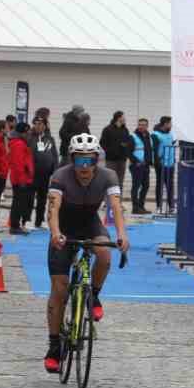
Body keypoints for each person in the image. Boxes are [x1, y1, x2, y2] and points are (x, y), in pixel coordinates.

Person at [44, 133, 130, 373]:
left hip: (90, 224)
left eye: (89, 160)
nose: (84, 167)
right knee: (59, 289)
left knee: (104, 253)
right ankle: (54, 346)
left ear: (96, 161)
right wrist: (55, 233)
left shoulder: (108, 176)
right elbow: (53, 209)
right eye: (79, 161)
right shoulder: (60, 176)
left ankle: (94, 295)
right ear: (72, 160)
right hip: (63, 227)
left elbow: (116, 207)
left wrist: (122, 234)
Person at [31, 110, 58, 228]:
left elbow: (54, 155)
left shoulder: (50, 139)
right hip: (33, 173)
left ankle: (39, 221)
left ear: (45, 126)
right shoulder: (30, 137)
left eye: (40, 124)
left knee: (42, 198)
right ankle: (26, 220)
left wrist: (55, 170)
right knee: (30, 198)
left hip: (45, 174)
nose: (38, 126)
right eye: (36, 124)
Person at [8, 121, 35, 234]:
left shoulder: (21, 143)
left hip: (22, 178)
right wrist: (22, 181)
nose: (29, 135)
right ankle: (14, 226)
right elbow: (18, 164)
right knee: (18, 203)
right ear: (22, 133)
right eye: (27, 133)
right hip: (20, 179)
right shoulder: (18, 144)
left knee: (19, 202)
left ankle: (16, 225)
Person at [130, 118, 153, 214]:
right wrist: (136, 161)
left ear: (147, 126)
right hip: (136, 165)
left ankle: (141, 206)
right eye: (140, 124)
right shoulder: (133, 136)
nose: (141, 126)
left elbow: (149, 150)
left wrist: (150, 162)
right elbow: (128, 152)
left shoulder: (148, 136)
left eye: (143, 125)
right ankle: (135, 208)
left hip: (146, 165)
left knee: (146, 186)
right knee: (136, 186)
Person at [155, 116, 177, 214]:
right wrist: (157, 162)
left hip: (170, 164)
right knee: (160, 185)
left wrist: (173, 160)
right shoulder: (156, 135)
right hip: (161, 164)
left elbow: (171, 147)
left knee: (170, 186)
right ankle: (159, 206)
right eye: (170, 123)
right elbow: (154, 150)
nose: (171, 125)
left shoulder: (170, 135)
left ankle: (171, 206)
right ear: (165, 124)